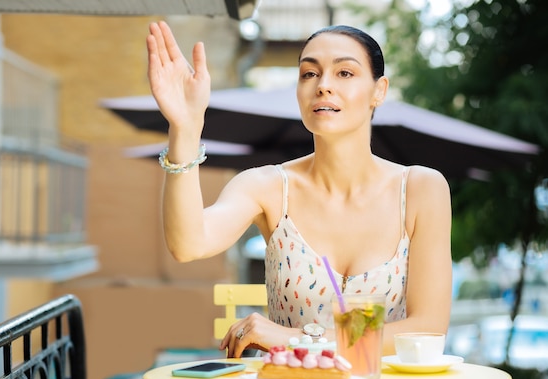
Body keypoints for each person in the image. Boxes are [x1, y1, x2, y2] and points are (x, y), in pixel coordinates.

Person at [146, 21, 452, 358]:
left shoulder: (422, 189)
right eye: (309, 74)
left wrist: (295, 339)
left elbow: (429, 326)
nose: (323, 86)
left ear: (379, 90)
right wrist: (185, 128)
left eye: (345, 73)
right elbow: (188, 244)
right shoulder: (267, 187)